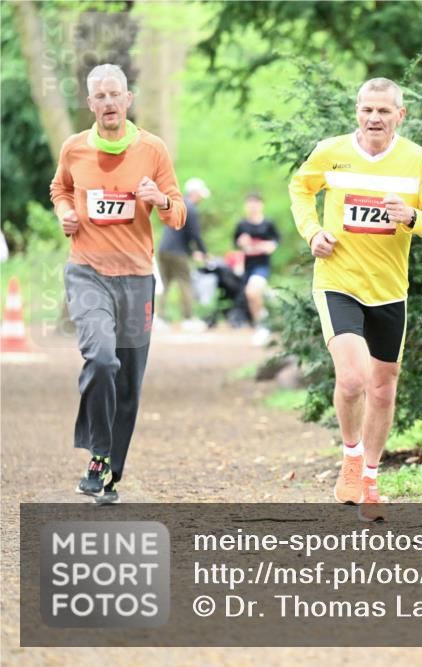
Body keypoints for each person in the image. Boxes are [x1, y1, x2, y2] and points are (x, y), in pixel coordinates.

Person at [289, 77, 422, 521]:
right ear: (357, 112)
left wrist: (412, 216)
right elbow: (300, 189)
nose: (374, 118)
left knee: (383, 386)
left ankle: (371, 480)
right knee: (354, 379)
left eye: (384, 111)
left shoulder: (417, 161)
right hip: (338, 282)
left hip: (389, 291)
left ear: (401, 115)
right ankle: (351, 456)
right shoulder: (331, 153)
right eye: (367, 110)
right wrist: (312, 232)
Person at [50, 63, 187, 504]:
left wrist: (159, 199)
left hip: (135, 280)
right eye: (100, 97)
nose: (108, 103)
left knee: (127, 385)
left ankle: (110, 474)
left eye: (115, 95)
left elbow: (178, 214)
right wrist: (64, 214)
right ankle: (97, 455)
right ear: (90, 104)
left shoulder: (152, 149)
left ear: (128, 99)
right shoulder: (74, 149)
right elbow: (60, 189)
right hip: (87, 272)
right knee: (102, 359)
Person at [158, 177, 209, 332]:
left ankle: (158, 318)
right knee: (185, 282)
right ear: (195, 193)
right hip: (177, 252)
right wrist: (203, 252)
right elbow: (194, 233)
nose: (201, 198)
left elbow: (180, 232)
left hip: (164, 249)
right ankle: (188, 318)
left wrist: (193, 251)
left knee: (165, 284)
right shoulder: (190, 208)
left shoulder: (178, 204)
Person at [233, 192, 279, 346]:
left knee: (252, 292)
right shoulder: (242, 225)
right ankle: (262, 321)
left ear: (261, 205)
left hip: (262, 266)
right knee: (251, 297)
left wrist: (268, 246)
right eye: (249, 203)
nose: (252, 206)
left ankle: (263, 326)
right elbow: (236, 243)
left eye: (256, 203)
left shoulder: (268, 224)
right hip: (248, 266)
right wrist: (241, 243)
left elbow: (275, 242)